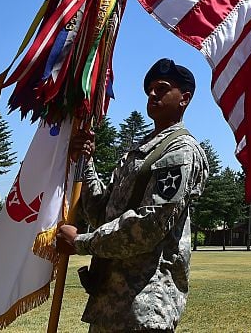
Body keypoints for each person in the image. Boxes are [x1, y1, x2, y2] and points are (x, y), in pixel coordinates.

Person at [56, 58, 209, 333]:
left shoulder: (180, 151)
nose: (152, 94)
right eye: (150, 89)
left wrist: (81, 242)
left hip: (144, 307)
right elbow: (102, 214)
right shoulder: (139, 151)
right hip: (110, 303)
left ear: (184, 98)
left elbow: (148, 226)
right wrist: (85, 162)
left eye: (162, 88)